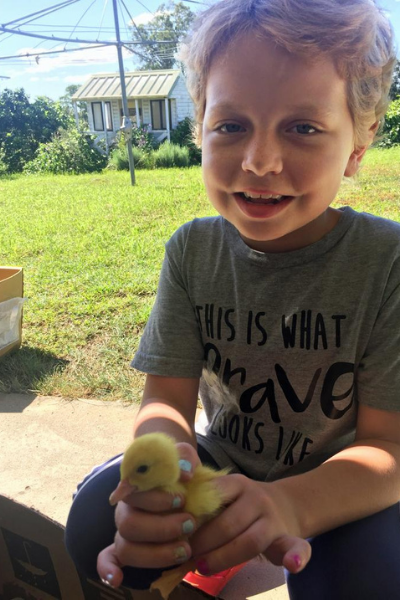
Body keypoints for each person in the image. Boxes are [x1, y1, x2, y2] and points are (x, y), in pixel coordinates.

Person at [65, 1, 400, 598]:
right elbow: (165, 399)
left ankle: (267, 547)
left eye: (303, 127)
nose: (259, 162)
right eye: (231, 125)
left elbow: (388, 447)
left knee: (368, 578)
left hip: (340, 481)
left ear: (361, 138)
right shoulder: (193, 251)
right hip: (227, 462)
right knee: (96, 523)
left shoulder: (387, 262)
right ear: (199, 127)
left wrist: (292, 506)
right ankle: (234, 546)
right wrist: (168, 473)